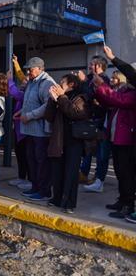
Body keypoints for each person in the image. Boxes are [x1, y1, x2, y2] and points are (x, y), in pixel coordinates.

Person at [44, 74, 90, 213]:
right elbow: (49, 117)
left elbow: (74, 113)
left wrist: (61, 97)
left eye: (63, 82)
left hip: (74, 141)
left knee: (71, 172)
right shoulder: (59, 97)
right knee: (57, 170)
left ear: (71, 85)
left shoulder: (79, 98)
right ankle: (57, 198)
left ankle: (69, 202)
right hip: (59, 139)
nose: (59, 84)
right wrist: (52, 100)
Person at [93, 73, 136, 220]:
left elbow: (119, 100)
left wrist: (101, 86)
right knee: (120, 172)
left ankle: (128, 205)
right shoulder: (125, 91)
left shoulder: (131, 93)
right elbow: (109, 101)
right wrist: (99, 90)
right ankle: (122, 200)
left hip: (125, 140)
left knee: (126, 174)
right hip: (116, 138)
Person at [18, 57, 56, 201]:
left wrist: (30, 115)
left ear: (40, 68)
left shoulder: (46, 82)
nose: (28, 71)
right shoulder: (32, 82)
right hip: (30, 129)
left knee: (41, 162)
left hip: (40, 131)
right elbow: (29, 101)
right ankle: (35, 186)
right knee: (32, 160)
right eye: (28, 69)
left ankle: (44, 190)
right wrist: (21, 111)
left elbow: (48, 105)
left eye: (31, 69)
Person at [78, 55, 111, 191]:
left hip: (100, 120)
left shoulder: (105, 80)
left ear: (99, 66)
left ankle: (99, 179)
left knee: (101, 152)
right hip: (91, 119)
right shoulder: (91, 78)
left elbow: (94, 96)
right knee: (88, 149)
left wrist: (85, 81)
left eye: (93, 64)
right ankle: (84, 173)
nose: (90, 66)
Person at [7, 56, 31, 190]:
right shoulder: (25, 90)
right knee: (20, 155)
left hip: (25, 130)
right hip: (18, 129)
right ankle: (21, 177)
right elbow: (22, 77)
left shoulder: (25, 94)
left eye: (25, 81)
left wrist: (9, 80)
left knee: (26, 156)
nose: (22, 81)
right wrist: (16, 64)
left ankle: (29, 179)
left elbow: (14, 92)